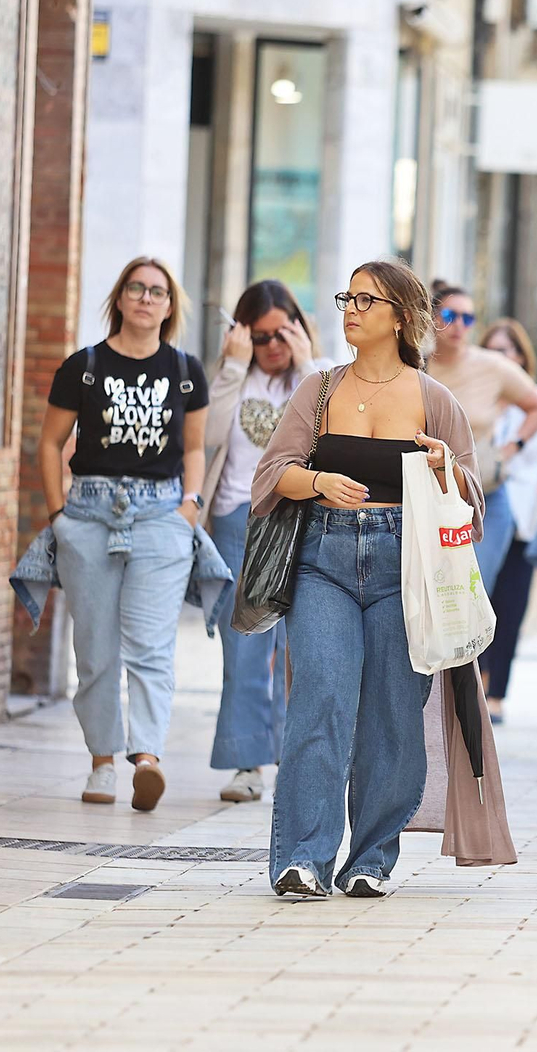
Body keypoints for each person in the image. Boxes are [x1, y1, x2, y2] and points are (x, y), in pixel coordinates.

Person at [251, 259, 514, 898]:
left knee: (393, 717)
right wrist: (317, 483)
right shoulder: (318, 390)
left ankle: (371, 858)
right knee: (319, 698)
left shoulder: (434, 398)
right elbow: (270, 474)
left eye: (366, 301)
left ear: (400, 316)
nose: (350, 309)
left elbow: (472, 502)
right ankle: (303, 858)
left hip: (408, 567)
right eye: (347, 297)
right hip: (324, 560)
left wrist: (444, 465)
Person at [36, 257, 210, 813]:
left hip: (162, 517)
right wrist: (58, 513)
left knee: (152, 644)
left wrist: (191, 506)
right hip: (88, 514)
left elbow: (195, 449)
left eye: (157, 291)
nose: (145, 298)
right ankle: (102, 762)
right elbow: (48, 443)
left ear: (168, 305)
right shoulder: (83, 367)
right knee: (95, 646)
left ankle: (147, 757)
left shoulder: (185, 370)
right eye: (135, 288)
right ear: (120, 297)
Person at [198, 280, 332, 804]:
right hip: (238, 520)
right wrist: (233, 368)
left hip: (302, 521)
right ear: (241, 335)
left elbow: (331, 437)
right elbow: (206, 437)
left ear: (297, 329)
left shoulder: (319, 378)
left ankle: (291, 759)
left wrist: (307, 365)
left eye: (281, 333)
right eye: (259, 336)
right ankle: (247, 762)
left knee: (296, 648)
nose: (272, 345)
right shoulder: (232, 376)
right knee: (246, 644)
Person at [425, 279, 537, 596]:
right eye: (451, 315)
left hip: (486, 500)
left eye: (468, 318)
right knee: (429, 599)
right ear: (432, 317)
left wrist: (511, 448)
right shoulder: (416, 365)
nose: (459, 325)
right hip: (427, 501)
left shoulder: (492, 366)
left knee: (473, 598)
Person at [477, 318, 537, 726]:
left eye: (508, 350)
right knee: (478, 602)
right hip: (481, 521)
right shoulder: (477, 399)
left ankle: (498, 692)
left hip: (525, 521)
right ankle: (478, 683)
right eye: (492, 350)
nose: (501, 359)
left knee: (510, 606)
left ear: (522, 357)